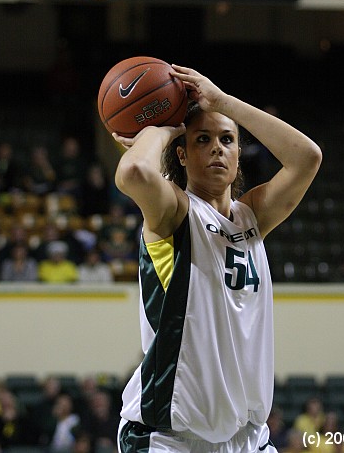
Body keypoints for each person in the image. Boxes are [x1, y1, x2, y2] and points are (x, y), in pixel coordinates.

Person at [112, 63, 322, 453]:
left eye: (227, 140)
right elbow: (136, 172)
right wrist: (160, 128)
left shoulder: (252, 215)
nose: (216, 149)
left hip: (245, 438)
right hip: (170, 437)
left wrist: (224, 101)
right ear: (183, 154)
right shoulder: (175, 212)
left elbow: (308, 157)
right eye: (202, 140)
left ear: (239, 153)